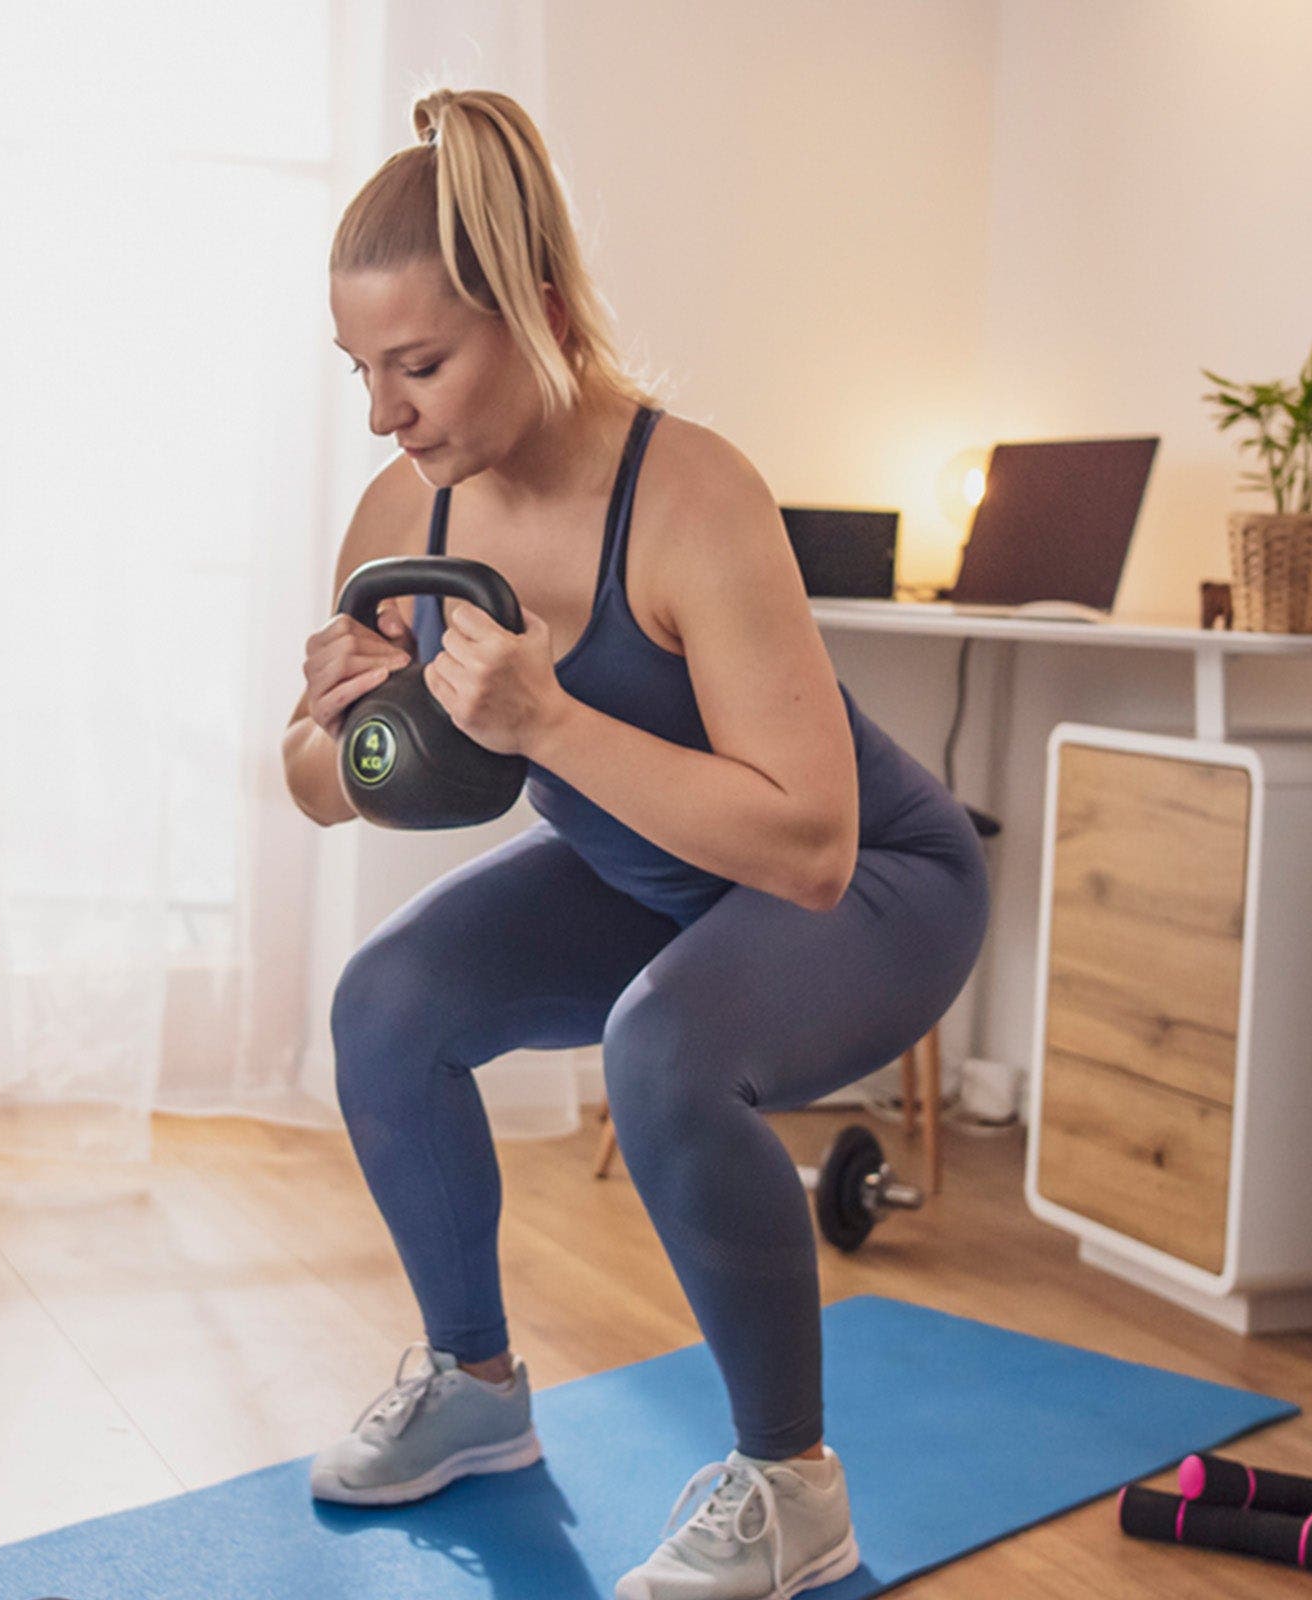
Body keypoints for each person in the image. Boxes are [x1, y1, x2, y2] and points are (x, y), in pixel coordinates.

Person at [282, 87, 990, 1600]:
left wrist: (544, 722)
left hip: (880, 890)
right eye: (361, 370)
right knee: (387, 1005)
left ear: (533, 314)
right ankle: (473, 1390)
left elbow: (808, 845)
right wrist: (341, 734)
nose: (384, 412)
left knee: (661, 1047)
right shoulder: (407, 503)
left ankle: (794, 1489)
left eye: (418, 365)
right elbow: (311, 779)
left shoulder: (690, 496)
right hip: (646, 878)